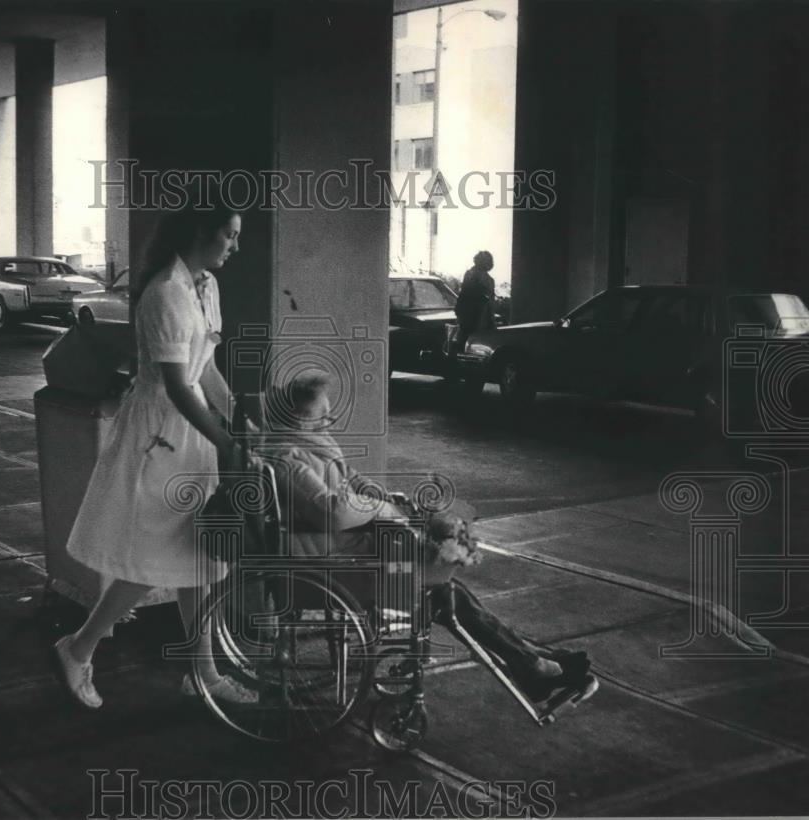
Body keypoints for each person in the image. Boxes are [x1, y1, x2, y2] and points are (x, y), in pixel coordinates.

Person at [256, 371, 595, 705]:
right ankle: (532, 662)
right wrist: (379, 508)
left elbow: (351, 482)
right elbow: (334, 512)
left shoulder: (310, 446)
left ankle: (531, 659)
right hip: (334, 566)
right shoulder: (288, 458)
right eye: (322, 415)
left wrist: (384, 498)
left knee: (445, 592)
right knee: (439, 594)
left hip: (350, 555)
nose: (331, 419)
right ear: (296, 421)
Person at [52, 184, 255, 709]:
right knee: (154, 560)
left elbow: (204, 368)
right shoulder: (165, 292)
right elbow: (176, 385)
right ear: (200, 233)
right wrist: (225, 439)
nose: (235, 246)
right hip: (160, 437)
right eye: (229, 236)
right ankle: (79, 647)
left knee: (197, 556)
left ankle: (203, 672)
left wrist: (240, 422)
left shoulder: (205, 286)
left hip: (192, 435)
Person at [453, 250, 496, 352]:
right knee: (474, 344)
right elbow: (490, 303)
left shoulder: (471, 275)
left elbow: (463, 295)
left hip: (472, 316)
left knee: (466, 343)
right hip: (477, 316)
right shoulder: (487, 279)